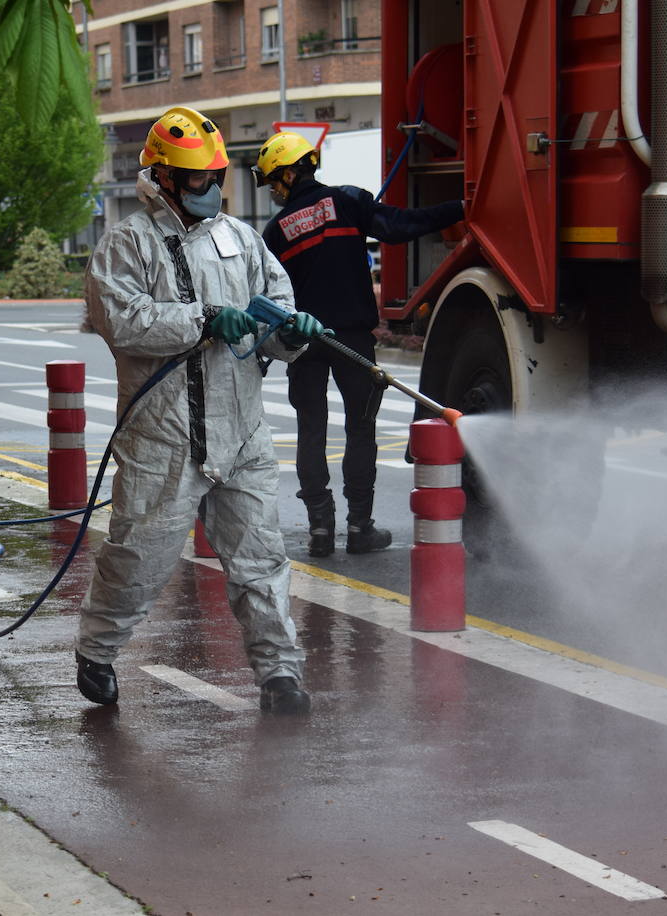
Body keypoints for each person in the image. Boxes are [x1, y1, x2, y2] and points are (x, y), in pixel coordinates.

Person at [76, 106, 325, 715]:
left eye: (216, 177)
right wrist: (205, 319)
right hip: (164, 437)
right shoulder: (126, 245)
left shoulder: (241, 241)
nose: (211, 188)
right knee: (139, 556)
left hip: (241, 432)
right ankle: (99, 650)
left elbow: (276, 314)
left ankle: (279, 675)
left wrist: (293, 333)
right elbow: (123, 321)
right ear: (162, 178)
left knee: (261, 559)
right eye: (197, 179)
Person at [257, 131, 466, 557]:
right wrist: (457, 210)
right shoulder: (348, 200)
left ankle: (319, 531)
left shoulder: (276, 231)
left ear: (293, 171)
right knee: (360, 428)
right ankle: (359, 527)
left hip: (303, 339)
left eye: (275, 180)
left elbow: (266, 293)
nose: (274, 191)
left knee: (310, 431)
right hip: (351, 338)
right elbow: (396, 226)